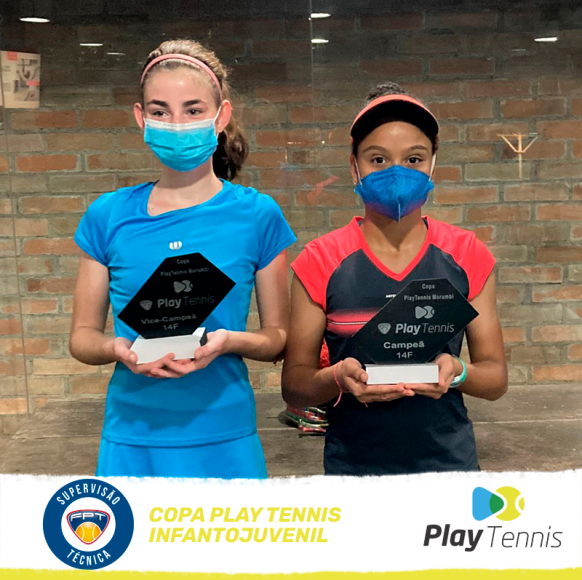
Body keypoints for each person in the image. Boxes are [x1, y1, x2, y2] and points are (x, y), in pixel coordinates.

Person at [69, 39, 296, 478]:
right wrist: (117, 348)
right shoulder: (107, 215)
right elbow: (82, 337)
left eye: (193, 110)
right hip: (133, 434)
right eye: (161, 111)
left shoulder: (257, 215)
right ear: (141, 118)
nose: (176, 125)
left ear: (221, 116)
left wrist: (229, 341)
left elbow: (277, 338)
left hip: (225, 431)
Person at [282, 82, 508, 476]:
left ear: (433, 164)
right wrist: (338, 377)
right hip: (353, 470)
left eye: (414, 158)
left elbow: (495, 379)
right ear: (354, 166)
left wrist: (457, 371)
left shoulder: (467, 255)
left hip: (449, 467)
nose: (397, 172)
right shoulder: (320, 260)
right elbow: (295, 386)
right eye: (378, 159)